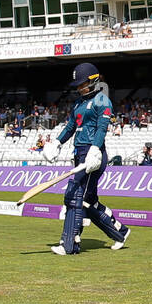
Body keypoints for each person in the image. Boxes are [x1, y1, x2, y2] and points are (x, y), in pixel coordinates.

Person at [45, 63, 130, 255]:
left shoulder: (103, 101)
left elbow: (101, 129)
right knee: (88, 200)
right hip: (79, 153)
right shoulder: (78, 104)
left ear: (93, 81)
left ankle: (69, 244)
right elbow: (70, 128)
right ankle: (120, 232)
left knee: (75, 195)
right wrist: (56, 143)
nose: (79, 88)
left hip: (94, 155)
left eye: (82, 84)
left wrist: (94, 150)